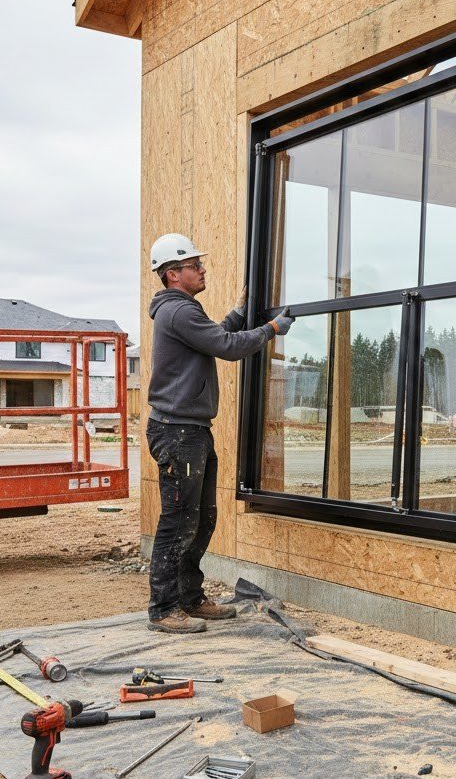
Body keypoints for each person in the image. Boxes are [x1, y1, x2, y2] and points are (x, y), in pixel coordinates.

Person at [145, 233, 294, 634]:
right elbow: (227, 346)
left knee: (202, 517)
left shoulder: (182, 312)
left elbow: (214, 336)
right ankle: (163, 608)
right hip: (177, 433)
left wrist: (240, 310)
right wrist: (271, 329)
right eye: (195, 265)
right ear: (173, 274)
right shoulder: (178, 311)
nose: (202, 269)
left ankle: (190, 597)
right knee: (178, 520)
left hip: (189, 430)